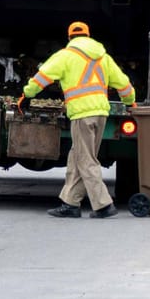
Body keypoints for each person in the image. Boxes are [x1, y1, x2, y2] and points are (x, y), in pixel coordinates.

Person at [19, 21, 136, 218]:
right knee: (77, 156)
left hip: (82, 114)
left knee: (85, 159)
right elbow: (123, 83)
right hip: (100, 114)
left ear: (69, 37)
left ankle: (104, 205)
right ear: (88, 36)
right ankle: (70, 203)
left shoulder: (65, 56)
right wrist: (130, 102)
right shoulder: (103, 57)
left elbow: (42, 77)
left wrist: (27, 95)